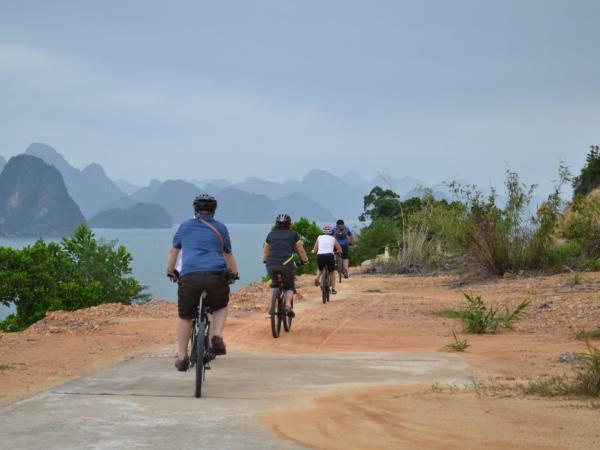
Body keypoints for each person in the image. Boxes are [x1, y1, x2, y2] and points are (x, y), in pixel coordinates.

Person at [166, 194, 239, 371]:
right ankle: (215, 336)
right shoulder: (220, 228)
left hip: (190, 276)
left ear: (194, 211)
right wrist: (234, 273)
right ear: (214, 212)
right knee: (220, 306)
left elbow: (173, 251)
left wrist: (171, 271)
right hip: (215, 276)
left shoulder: (184, 226)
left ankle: (182, 358)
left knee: (185, 317)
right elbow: (227, 254)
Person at [263, 213, 309, 317]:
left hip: (271, 264)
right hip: (286, 264)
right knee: (289, 286)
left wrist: (265, 260)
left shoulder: (270, 234)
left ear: (276, 224)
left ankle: (272, 306)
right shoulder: (293, 234)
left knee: (275, 284)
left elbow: (265, 250)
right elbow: (301, 250)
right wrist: (305, 260)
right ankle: (288, 305)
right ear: (289, 224)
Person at [313, 224, 342, 294]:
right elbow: (339, 249)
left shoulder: (319, 237)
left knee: (320, 269)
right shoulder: (332, 238)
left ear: (323, 231)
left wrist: (313, 252)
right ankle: (333, 289)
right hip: (329, 256)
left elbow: (314, 249)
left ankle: (317, 277)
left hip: (320, 256)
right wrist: (337, 252)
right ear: (331, 232)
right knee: (332, 272)